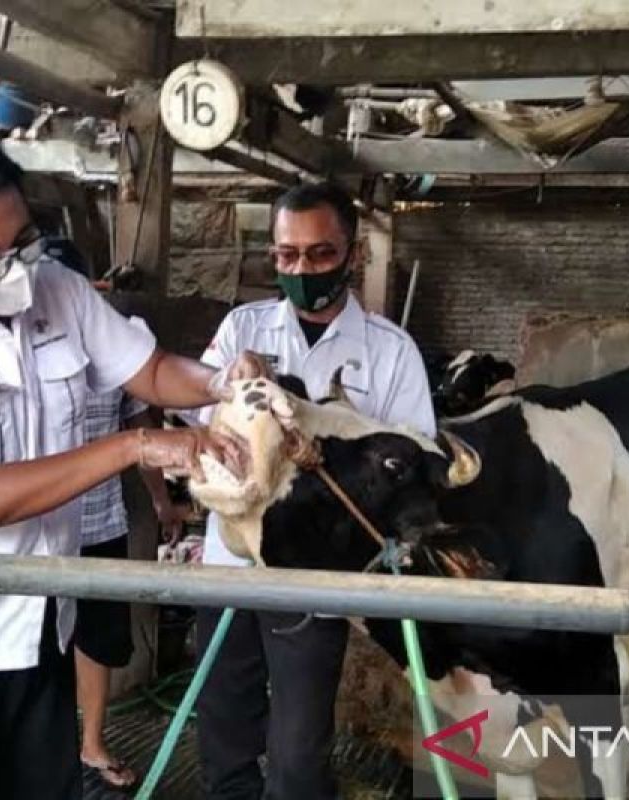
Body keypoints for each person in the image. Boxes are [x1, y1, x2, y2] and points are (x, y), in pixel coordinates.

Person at [0, 126, 259, 800]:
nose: (16, 270)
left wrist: (220, 384)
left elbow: (147, 370)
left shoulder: (58, 287)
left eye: (24, 242)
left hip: (39, 617)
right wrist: (135, 446)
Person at [194, 182, 437, 799]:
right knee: (223, 722)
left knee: (299, 745)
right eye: (286, 256)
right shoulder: (240, 330)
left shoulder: (390, 352)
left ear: (353, 254)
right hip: (228, 565)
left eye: (320, 254)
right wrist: (233, 386)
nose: (301, 270)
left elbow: (412, 464)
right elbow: (199, 430)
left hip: (312, 570)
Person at [46, 235, 189, 791]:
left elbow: (140, 430)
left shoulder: (115, 349)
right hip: (38, 528)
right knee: (42, 643)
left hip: (101, 519)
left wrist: (158, 499)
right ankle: (53, 746)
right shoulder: (19, 348)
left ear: (89, 291)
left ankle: (92, 743)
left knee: (98, 638)